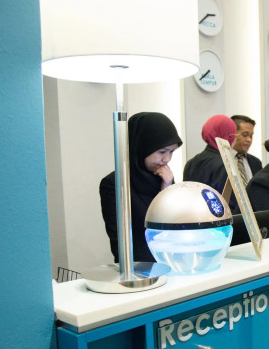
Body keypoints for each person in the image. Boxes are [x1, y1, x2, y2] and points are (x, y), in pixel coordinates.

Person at [100, 112, 182, 263]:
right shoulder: (114, 184)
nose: (167, 159)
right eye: (162, 152)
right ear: (141, 147)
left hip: (171, 261)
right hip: (138, 266)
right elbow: (122, 238)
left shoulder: (164, 177)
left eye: (172, 152)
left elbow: (176, 224)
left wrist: (167, 187)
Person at [183, 114, 237, 195]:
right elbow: (226, 200)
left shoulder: (191, 163)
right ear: (227, 135)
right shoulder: (225, 164)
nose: (235, 139)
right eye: (234, 134)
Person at [231, 114, 262, 186]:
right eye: (245, 135)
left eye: (251, 136)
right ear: (232, 134)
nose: (249, 140)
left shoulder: (256, 162)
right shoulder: (221, 160)